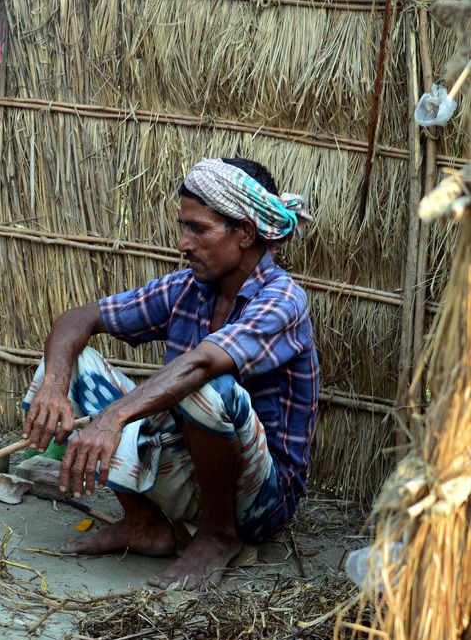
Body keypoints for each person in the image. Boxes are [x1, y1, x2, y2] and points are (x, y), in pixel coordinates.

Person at [21, 157, 319, 590]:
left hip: (259, 501)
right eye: (183, 227)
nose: (183, 243)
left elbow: (201, 365)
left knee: (204, 385)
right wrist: (53, 388)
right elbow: (78, 319)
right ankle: (146, 523)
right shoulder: (188, 288)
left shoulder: (283, 300)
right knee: (70, 366)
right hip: (187, 468)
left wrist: (111, 418)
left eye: (198, 229)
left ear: (245, 233)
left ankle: (218, 535)